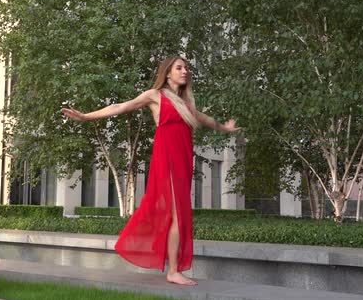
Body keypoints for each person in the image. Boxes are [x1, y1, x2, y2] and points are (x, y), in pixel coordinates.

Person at [61, 56, 240, 286]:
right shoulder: (155, 96)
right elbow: (120, 107)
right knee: (177, 214)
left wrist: (224, 127)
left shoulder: (185, 104)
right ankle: (174, 271)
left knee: (180, 214)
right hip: (167, 160)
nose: (185, 71)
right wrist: (87, 116)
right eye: (179, 68)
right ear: (167, 73)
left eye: (186, 68)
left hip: (184, 161)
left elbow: (204, 118)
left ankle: (173, 269)